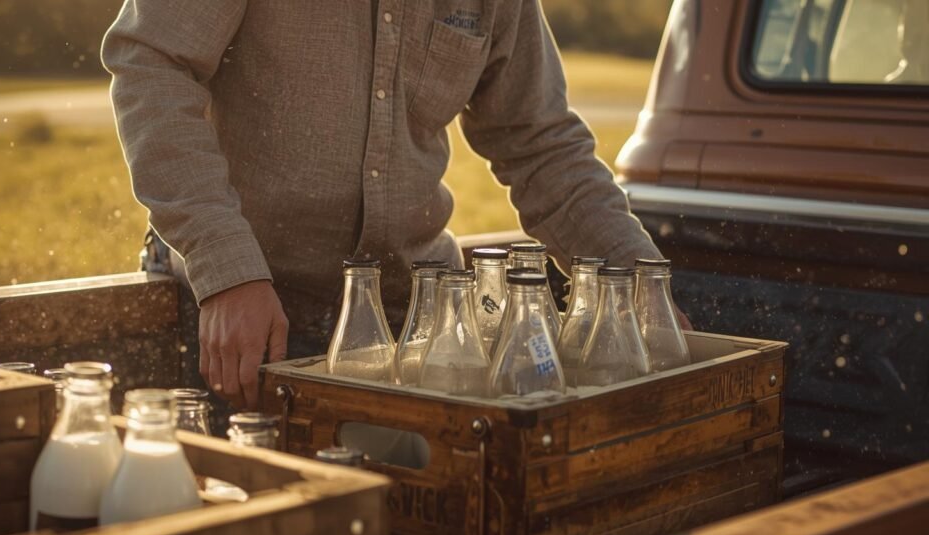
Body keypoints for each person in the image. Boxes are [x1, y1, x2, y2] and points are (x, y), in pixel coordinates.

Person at [102, 1, 676, 410]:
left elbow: (541, 145)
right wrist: (226, 272)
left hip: (412, 330)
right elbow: (152, 66)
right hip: (241, 316)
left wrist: (644, 290)